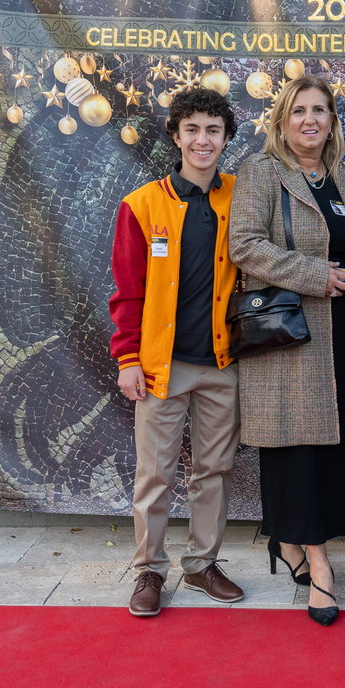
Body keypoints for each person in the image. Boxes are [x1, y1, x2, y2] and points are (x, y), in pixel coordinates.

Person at [229, 75, 345, 627]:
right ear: (282, 121)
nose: (310, 120)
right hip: (287, 334)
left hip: (338, 336)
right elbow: (244, 246)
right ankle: (320, 563)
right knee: (297, 450)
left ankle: (289, 541)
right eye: (299, 111)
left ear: (332, 121)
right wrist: (315, 275)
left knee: (329, 449)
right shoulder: (262, 172)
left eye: (320, 111)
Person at [109, 87, 243, 617]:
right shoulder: (141, 205)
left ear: (226, 138)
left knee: (215, 470)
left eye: (213, 130)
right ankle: (149, 570)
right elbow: (127, 291)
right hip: (161, 365)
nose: (202, 140)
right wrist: (128, 359)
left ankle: (202, 563)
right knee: (155, 472)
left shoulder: (242, 196)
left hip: (224, 363)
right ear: (176, 135)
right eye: (192, 130)